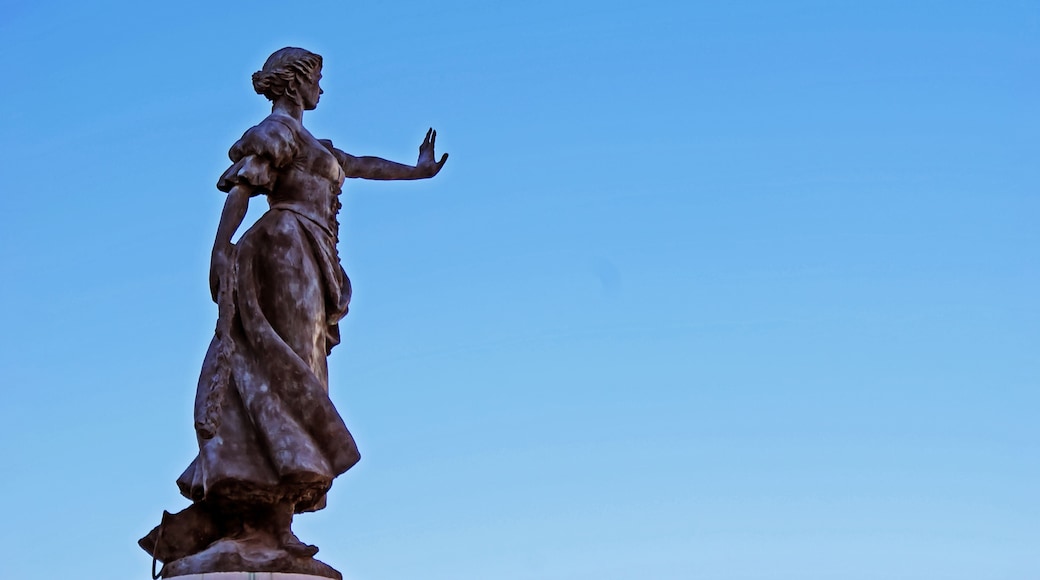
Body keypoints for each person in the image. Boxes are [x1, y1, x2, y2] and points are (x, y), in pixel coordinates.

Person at [140, 47, 447, 576]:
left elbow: (357, 165)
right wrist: (220, 247)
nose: (322, 92)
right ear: (296, 83)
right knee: (279, 370)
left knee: (300, 374)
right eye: (318, 81)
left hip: (309, 255)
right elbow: (244, 183)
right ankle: (249, 513)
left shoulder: (311, 143)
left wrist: (417, 173)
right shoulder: (277, 131)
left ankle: (276, 521)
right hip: (282, 247)